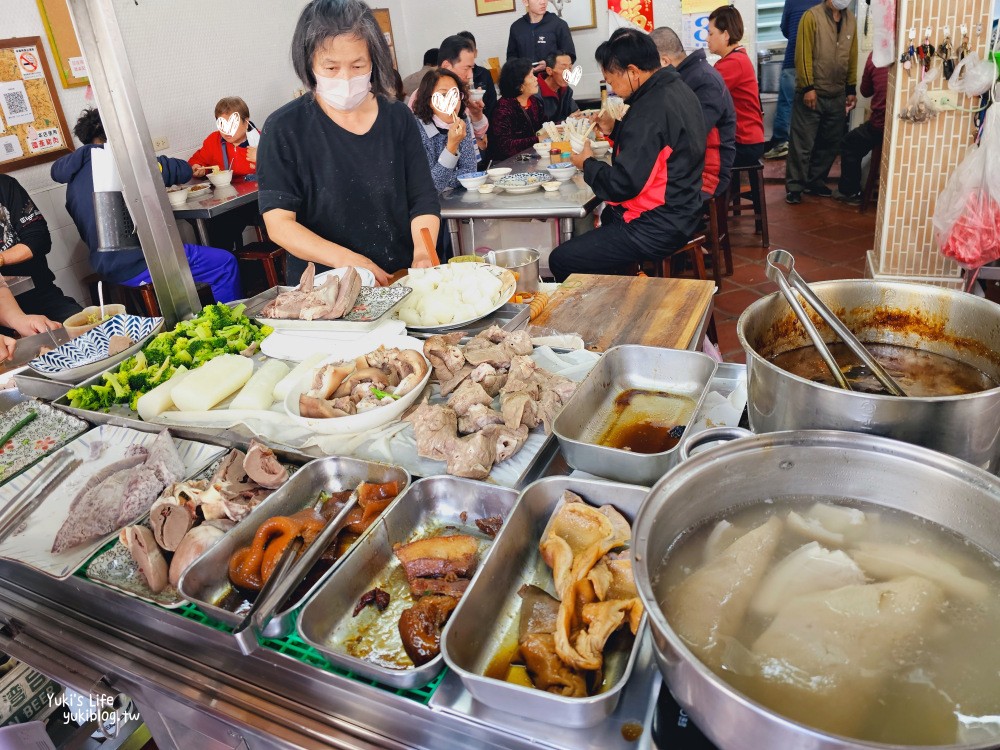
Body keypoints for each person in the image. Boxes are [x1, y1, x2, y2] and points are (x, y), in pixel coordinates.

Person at [257, 0, 440, 287]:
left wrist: (422, 254)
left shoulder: (397, 117)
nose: (346, 78)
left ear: (374, 61)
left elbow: (422, 199)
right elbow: (280, 225)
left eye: (358, 65)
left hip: (399, 281)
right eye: (330, 67)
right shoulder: (284, 128)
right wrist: (351, 261)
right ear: (309, 64)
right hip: (325, 291)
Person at [549, 28, 706, 281]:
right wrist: (614, 129)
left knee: (561, 259)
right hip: (684, 207)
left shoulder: (649, 111)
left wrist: (586, 163)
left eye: (612, 80)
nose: (612, 87)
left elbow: (623, 184)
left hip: (658, 224)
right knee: (607, 215)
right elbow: (653, 151)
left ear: (633, 71)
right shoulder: (677, 89)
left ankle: (607, 310)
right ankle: (621, 285)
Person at [51, 108, 242, 304]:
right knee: (224, 264)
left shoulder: (73, 181)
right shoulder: (118, 161)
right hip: (139, 262)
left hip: (105, 266)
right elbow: (182, 171)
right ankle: (233, 323)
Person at [785, 0, 857, 205]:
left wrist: (851, 87)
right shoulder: (811, 16)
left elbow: (852, 54)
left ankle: (815, 181)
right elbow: (803, 54)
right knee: (802, 143)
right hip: (812, 92)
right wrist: (808, 87)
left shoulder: (851, 19)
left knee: (830, 142)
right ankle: (795, 186)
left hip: (837, 93)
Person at [651, 26, 736, 200]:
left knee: (646, 196)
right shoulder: (685, 76)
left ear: (664, 61)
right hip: (688, 166)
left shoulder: (704, 80)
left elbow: (692, 135)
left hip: (707, 173)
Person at [0, 174, 82, 322]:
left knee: (91, 330)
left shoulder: (5, 185)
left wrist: (2, 258)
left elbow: (38, 239)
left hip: (39, 295)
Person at [708, 5, 766, 203]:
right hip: (749, 140)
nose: (707, 38)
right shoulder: (737, 59)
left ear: (725, 35)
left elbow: (705, 91)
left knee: (698, 158)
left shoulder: (733, 63)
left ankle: (711, 211)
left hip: (745, 143)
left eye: (710, 33)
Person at [765, 0, 817, 159]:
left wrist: (798, 35)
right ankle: (808, 145)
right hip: (814, 62)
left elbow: (785, 28)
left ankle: (781, 143)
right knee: (812, 105)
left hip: (792, 60)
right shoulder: (822, 4)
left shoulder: (791, 1)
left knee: (786, 103)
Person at [412, 68, 478, 192]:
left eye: (455, 94)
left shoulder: (462, 121)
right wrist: (451, 147)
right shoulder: (415, 128)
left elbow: (470, 171)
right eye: (443, 95)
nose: (451, 102)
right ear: (429, 101)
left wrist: (444, 180)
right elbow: (431, 186)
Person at [835, 52, 887, 204]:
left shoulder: (876, 55)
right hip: (902, 126)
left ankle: (849, 192)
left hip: (880, 124)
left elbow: (865, 91)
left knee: (849, 143)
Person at [437, 35, 489, 153]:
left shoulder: (462, 93)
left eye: (472, 68)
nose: (470, 75)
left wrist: (476, 114)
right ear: (446, 66)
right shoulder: (426, 96)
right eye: (466, 68)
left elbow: (479, 133)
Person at [189, 96, 259, 178]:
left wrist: (262, 158)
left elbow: (276, 171)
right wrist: (197, 167)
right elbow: (196, 161)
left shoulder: (263, 140)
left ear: (246, 123)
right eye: (222, 124)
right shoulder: (213, 140)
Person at [491, 58, 543, 161]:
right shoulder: (503, 108)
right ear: (519, 85)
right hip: (508, 165)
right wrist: (538, 139)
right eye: (531, 76)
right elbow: (505, 146)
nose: (536, 79)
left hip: (533, 159)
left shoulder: (534, 101)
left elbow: (542, 128)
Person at [507, 0, 576, 72]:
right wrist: (522, 67)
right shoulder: (516, 27)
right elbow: (511, 58)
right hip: (527, 80)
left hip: (552, 80)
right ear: (525, 2)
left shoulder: (559, 24)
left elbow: (570, 55)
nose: (543, 2)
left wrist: (548, 63)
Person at [457, 31, 499, 119]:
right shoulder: (455, 75)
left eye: (470, 49)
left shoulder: (484, 73)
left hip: (484, 122)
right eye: (463, 50)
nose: (466, 53)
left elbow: (492, 102)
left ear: (475, 52)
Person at [534, 50, 580, 123]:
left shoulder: (566, 90)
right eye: (563, 68)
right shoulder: (535, 93)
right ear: (549, 71)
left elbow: (576, 113)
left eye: (570, 68)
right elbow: (538, 128)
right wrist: (567, 121)